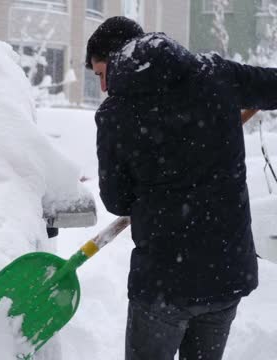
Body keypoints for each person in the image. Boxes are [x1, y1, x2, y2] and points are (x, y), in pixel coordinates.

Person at [85, 16, 277, 360]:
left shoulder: (115, 113)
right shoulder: (216, 73)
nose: (102, 87)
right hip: (226, 275)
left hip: (163, 283)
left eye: (101, 73)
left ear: (116, 58)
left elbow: (117, 200)